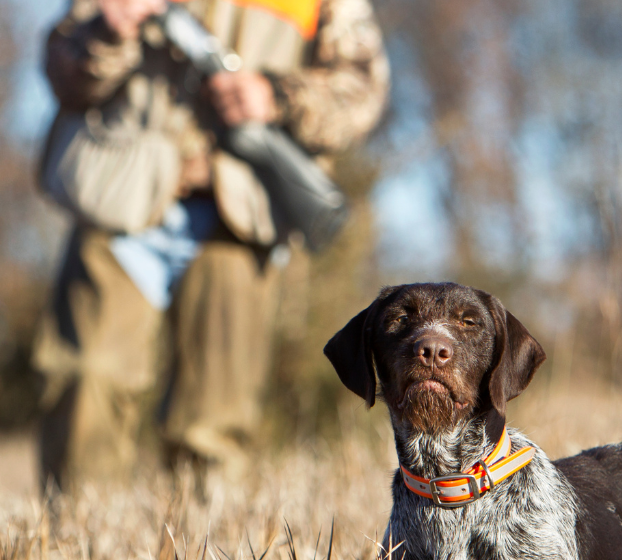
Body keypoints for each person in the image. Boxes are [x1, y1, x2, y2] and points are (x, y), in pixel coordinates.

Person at [34, 0, 388, 493]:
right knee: (85, 385)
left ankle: (206, 530)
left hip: (242, 212)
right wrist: (106, 31)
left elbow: (363, 93)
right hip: (118, 196)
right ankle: (76, 526)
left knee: (215, 425)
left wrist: (277, 96)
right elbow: (62, 74)